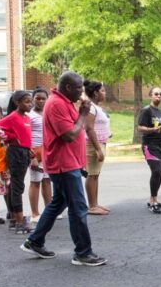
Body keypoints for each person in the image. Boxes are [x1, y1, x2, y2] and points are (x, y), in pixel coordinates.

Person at [21, 71, 108, 267]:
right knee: (78, 208)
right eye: (78, 88)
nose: (81, 92)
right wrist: (83, 114)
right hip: (63, 164)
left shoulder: (65, 102)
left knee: (58, 203)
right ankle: (83, 253)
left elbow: (74, 131)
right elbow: (69, 135)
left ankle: (34, 241)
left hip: (69, 163)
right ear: (67, 87)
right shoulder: (56, 104)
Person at [0, 90, 35, 234]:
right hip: (15, 153)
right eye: (27, 102)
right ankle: (19, 221)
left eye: (31, 101)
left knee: (15, 186)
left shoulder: (26, 118)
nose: (31, 104)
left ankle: (13, 218)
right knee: (18, 187)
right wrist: (9, 137)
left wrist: (27, 148)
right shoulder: (13, 116)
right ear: (17, 103)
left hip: (24, 152)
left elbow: (24, 136)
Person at [83, 81, 112, 215]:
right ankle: (92, 206)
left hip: (101, 142)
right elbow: (88, 128)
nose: (104, 93)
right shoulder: (91, 107)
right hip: (92, 144)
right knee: (92, 174)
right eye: (103, 91)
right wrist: (97, 149)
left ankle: (95, 203)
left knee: (96, 175)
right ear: (95, 93)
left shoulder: (96, 107)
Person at [28, 87, 56, 221]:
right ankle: (35, 213)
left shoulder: (49, 113)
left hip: (48, 150)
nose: (40, 101)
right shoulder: (29, 115)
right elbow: (26, 136)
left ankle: (49, 211)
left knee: (47, 180)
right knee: (35, 181)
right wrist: (32, 156)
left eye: (43, 98)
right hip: (35, 150)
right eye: (37, 98)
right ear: (32, 100)